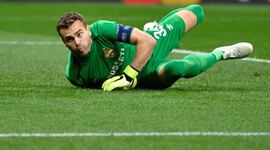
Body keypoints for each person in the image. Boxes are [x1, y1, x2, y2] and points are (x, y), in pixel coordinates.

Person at [56, 5, 253, 91]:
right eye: (70, 39)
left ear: (88, 30)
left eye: (79, 34)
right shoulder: (75, 74)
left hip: (149, 48)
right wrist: (132, 80)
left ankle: (153, 28)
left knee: (195, 12)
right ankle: (220, 53)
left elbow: (147, 43)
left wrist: (128, 75)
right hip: (148, 75)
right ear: (64, 43)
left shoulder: (101, 29)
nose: (77, 42)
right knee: (178, 69)